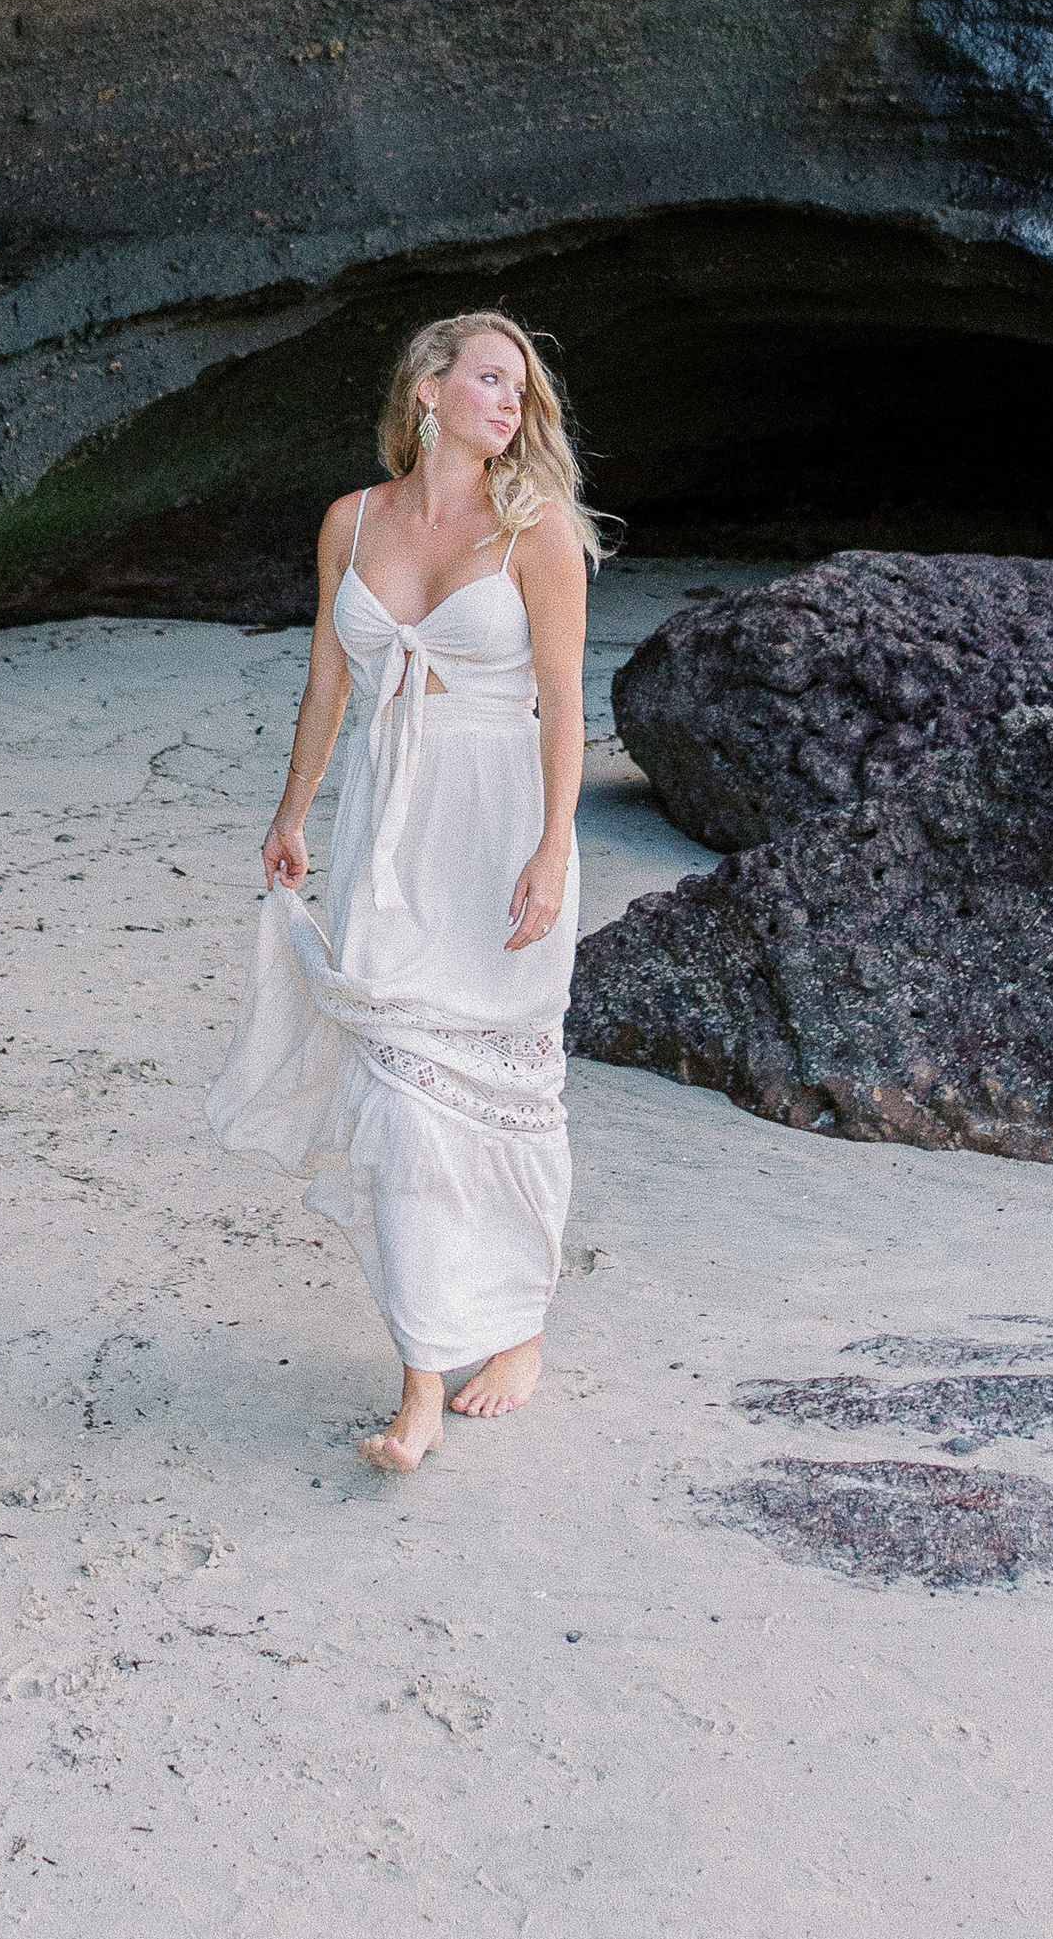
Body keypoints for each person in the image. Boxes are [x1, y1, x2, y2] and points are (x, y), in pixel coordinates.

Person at [205, 309, 600, 1472]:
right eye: (487, 378)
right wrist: (292, 811)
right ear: (425, 389)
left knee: (503, 1089)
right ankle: (423, 1376)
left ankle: (515, 1329)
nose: (507, 404)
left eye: (519, 390)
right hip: (391, 831)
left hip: (498, 831)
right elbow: (329, 680)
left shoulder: (539, 533)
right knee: (399, 1102)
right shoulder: (353, 521)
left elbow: (568, 708)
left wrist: (551, 851)